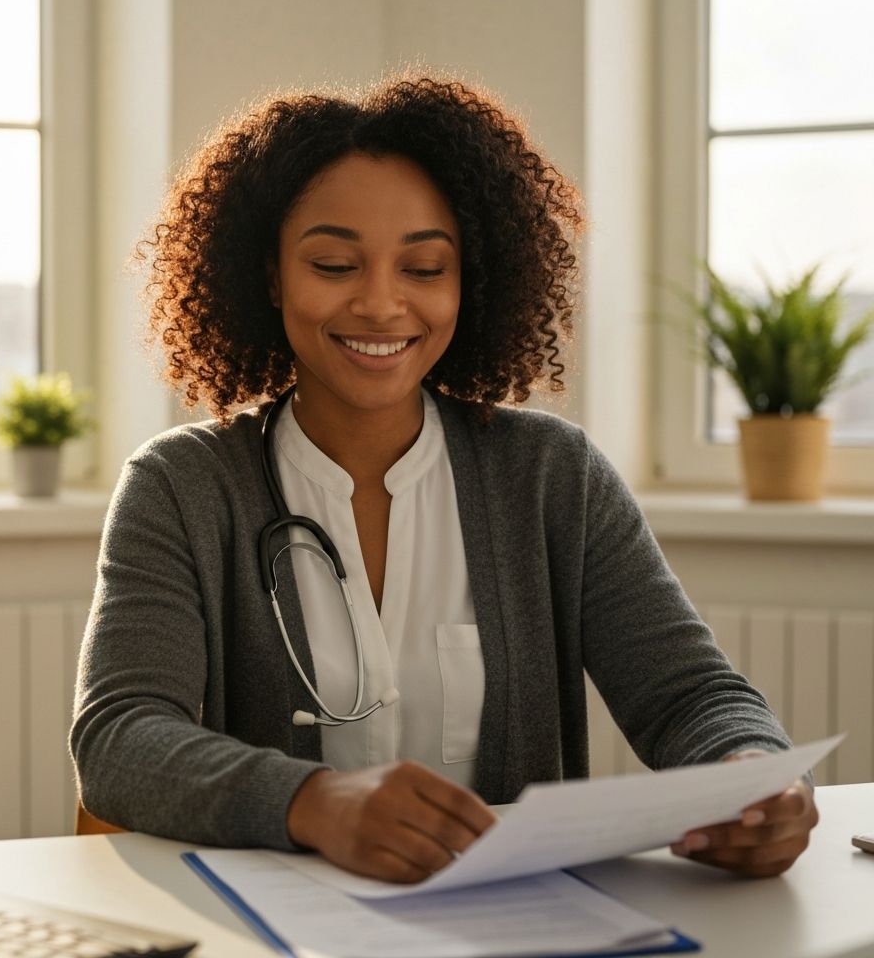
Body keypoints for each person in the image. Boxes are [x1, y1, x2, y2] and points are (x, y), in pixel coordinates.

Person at [70, 76, 817, 883]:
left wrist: (757, 774)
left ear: (473, 281)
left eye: (425, 267)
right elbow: (120, 736)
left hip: (519, 930)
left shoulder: (553, 478)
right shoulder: (180, 487)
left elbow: (691, 696)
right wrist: (316, 802)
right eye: (333, 262)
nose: (383, 303)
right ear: (270, 275)